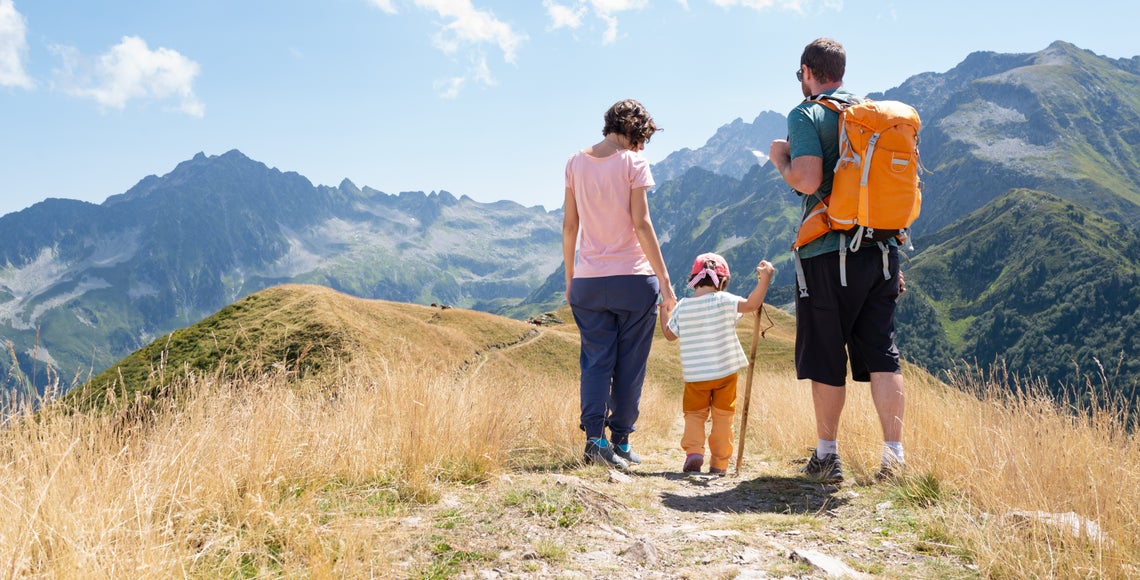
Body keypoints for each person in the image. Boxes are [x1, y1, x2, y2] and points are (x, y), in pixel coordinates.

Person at [768, 38, 907, 482]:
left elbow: (807, 180)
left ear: (808, 71)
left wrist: (780, 160)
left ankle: (827, 458)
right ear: (840, 72)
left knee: (828, 355)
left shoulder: (808, 113)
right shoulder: (872, 118)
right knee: (883, 355)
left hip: (829, 253)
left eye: (799, 75)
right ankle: (894, 459)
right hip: (883, 250)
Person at [563, 98, 677, 470]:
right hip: (634, 280)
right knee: (630, 365)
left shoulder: (575, 162)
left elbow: (570, 226)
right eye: (641, 139)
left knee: (596, 362)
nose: (641, 147)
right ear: (634, 132)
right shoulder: (633, 162)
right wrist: (665, 280)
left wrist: (571, 278)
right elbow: (641, 223)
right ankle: (622, 442)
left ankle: (595, 443)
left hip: (589, 282)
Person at [660, 253, 775, 476]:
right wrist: (765, 279)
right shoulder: (726, 300)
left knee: (694, 415)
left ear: (694, 279)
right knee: (723, 417)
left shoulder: (683, 307)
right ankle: (719, 463)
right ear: (722, 281)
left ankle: (694, 452)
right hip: (725, 373)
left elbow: (669, 335)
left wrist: (663, 312)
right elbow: (752, 304)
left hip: (695, 376)